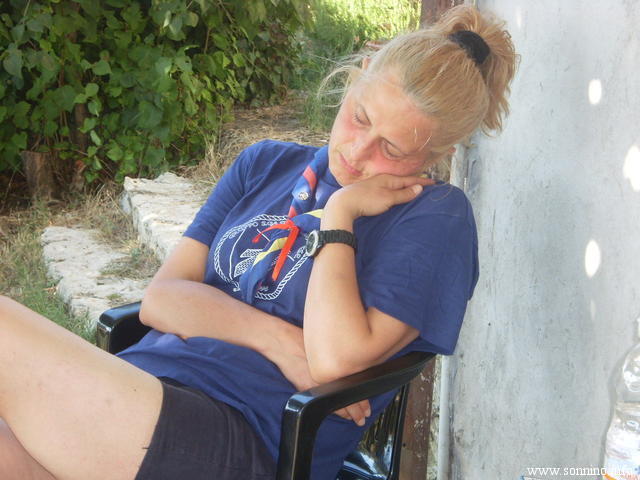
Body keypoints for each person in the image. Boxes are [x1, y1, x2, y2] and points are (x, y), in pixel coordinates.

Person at [0, 4, 517, 480]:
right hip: (145, 388)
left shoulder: (434, 219)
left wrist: (339, 217)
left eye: (391, 148)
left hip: (246, 438)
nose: (357, 152)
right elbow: (163, 299)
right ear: (357, 77)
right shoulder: (264, 163)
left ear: (438, 153)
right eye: (359, 117)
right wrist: (281, 342)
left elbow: (336, 362)